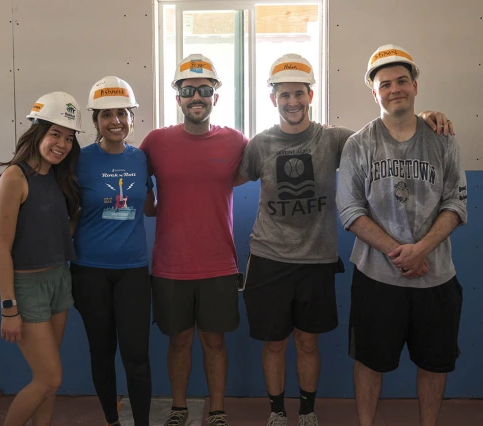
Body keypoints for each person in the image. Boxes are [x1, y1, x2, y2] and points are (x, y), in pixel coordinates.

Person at [233, 53, 454, 426]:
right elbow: (231, 178)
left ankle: (306, 410)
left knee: (307, 342)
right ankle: (276, 412)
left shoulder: (336, 139)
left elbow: (387, 133)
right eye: (284, 94)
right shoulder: (259, 144)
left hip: (317, 258)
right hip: (268, 256)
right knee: (274, 344)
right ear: (273, 99)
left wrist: (426, 115)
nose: (292, 102)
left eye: (299, 93)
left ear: (310, 95)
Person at [336, 44, 467, 426]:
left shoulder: (443, 137)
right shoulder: (359, 144)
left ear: (415, 85)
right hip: (377, 277)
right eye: (386, 83)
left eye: (402, 81)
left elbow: (456, 204)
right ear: (373, 91)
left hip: (436, 276)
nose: (395, 89)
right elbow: (350, 211)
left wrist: (422, 249)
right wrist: (401, 253)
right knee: (369, 361)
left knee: (434, 363)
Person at [139, 54, 248, 426]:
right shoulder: (155, 141)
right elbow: (139, 191)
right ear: (178, 97)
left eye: (204, 89)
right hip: (170, 265)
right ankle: (179, 408)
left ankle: (216, 410)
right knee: (179, 342)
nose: (196, 96)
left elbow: (280, 149)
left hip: (219, 264)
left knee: (214, 342)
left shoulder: (236, 141)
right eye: (188, 90)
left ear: (215, 96)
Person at [0, 91, 83, 426]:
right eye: (55, 134)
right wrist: (8, 307)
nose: (62, 144)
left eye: (68, 137)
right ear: (37, 132)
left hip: (59, 280)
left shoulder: (60, 176)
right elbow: (4, 251)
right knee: (49, 378)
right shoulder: (15, 177)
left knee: (47, 384)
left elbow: (62, 229)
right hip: (26, 289)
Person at [71, 76, 155, 426]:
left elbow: (150, 206)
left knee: (136, 355)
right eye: (106, 115)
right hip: (89, 271)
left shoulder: (142, 160)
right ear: (95, 122)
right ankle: (112, 421)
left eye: (122, 113)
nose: (115, 121)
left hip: (133, 271)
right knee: (102, 353)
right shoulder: (78, 160)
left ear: (132, 117)